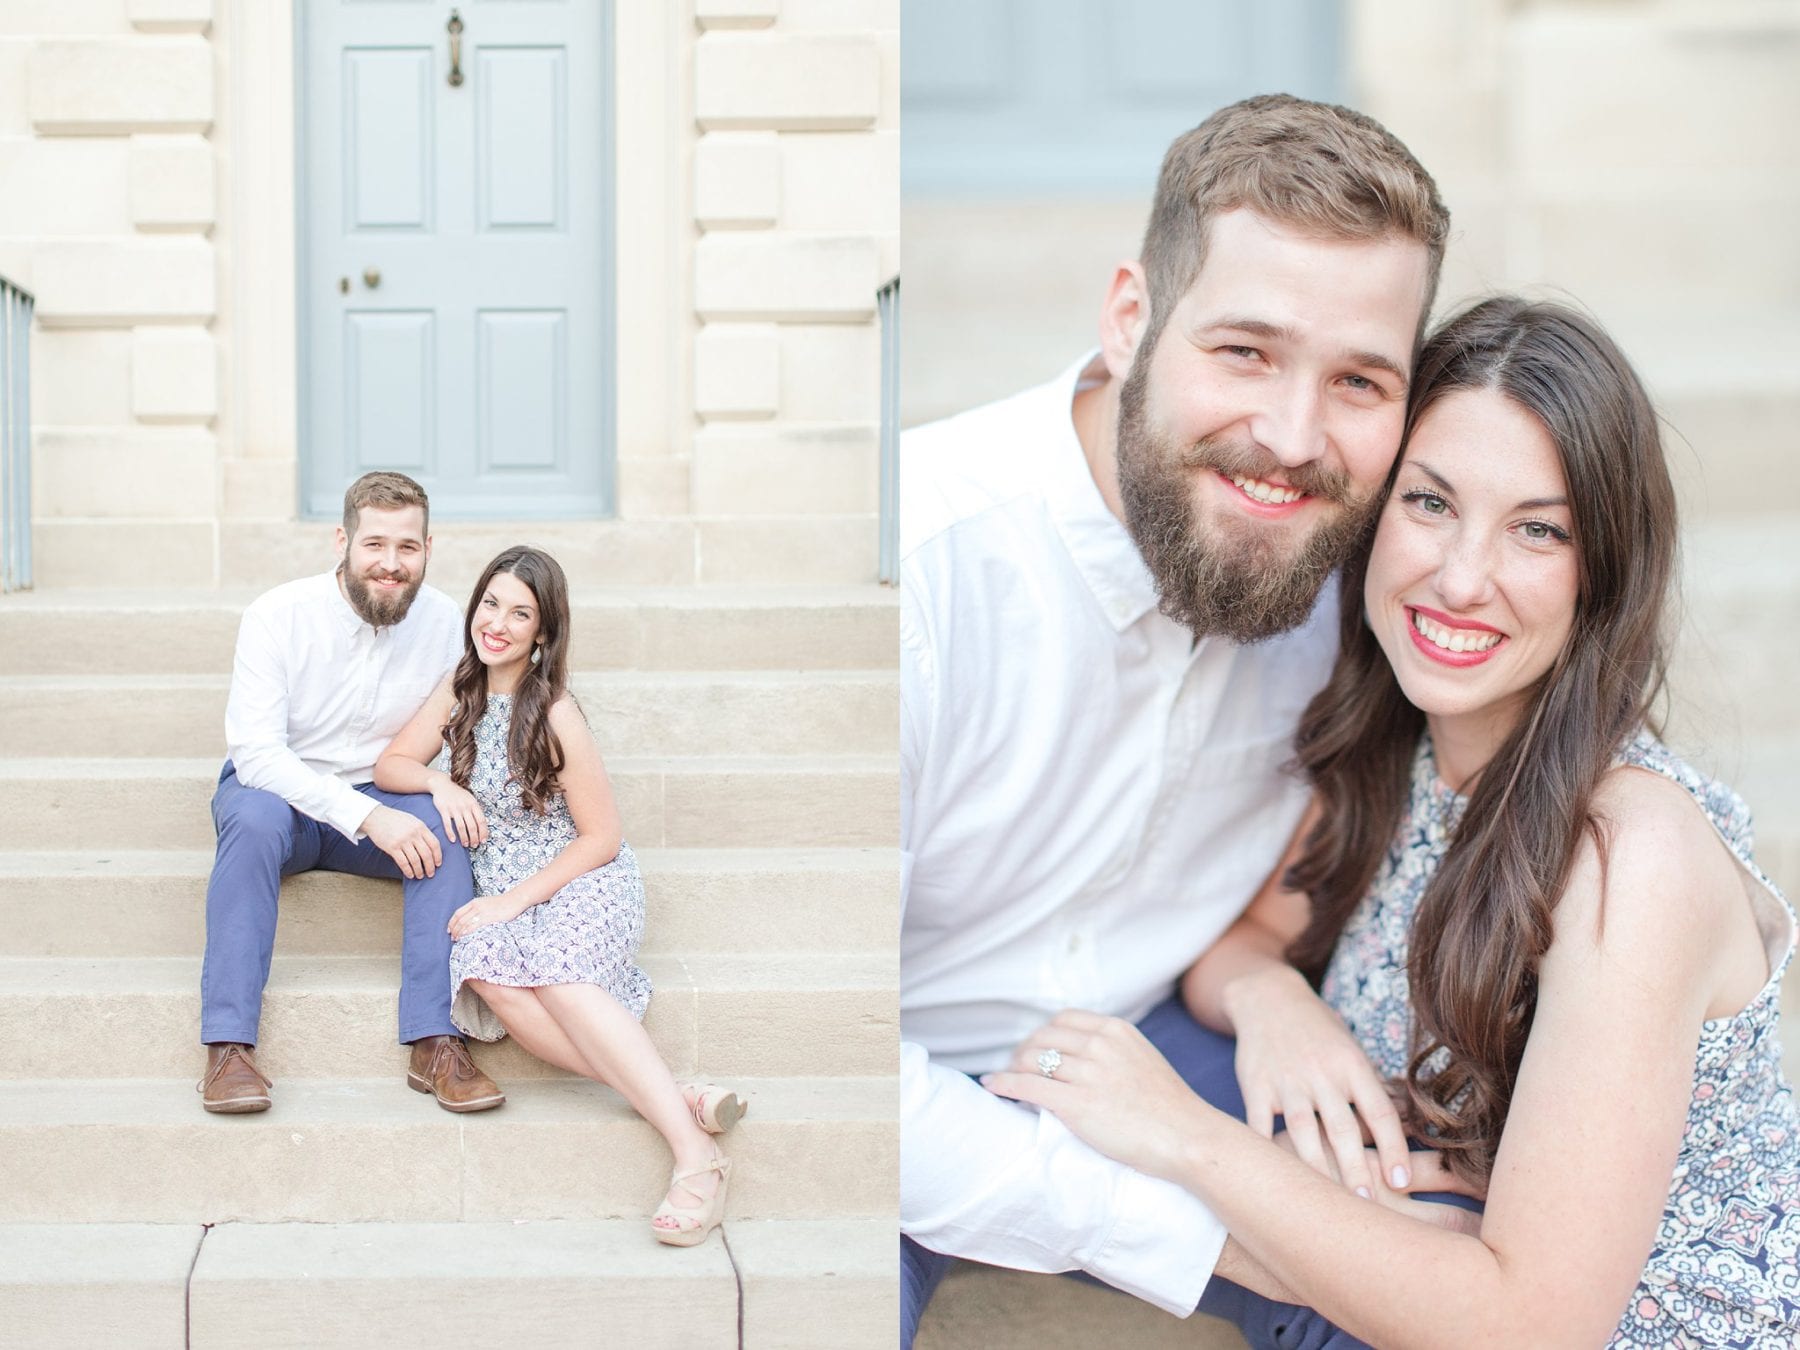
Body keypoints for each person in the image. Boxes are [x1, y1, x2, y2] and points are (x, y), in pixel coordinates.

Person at [988, 298, 1800, 1348]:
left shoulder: (1625, 857)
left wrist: (1190, 1143)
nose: (1462, 578)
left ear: (1602, 572)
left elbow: (1530, 1327)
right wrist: (1283, 1006)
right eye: (1430, 503)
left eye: (1538, 530)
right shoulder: (1408, 748)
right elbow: (1237, 946)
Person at [900, 94, 1451, 1343]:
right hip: (893, 1079)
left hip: (1164, 1035)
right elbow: (827, 1057)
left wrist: (1266, 993)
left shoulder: (1360, 584)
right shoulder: (923, 569)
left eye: (1360, 379)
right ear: (1130, 317)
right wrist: (1193, 1225)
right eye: (1246, 352)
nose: (1292, 439)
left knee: (1424, 1262)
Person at [374, 544, 744, 1246]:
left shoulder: (556, 712)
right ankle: (673, 1098)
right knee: (482, 968)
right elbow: (390, 763)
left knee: (564, 982)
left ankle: (697, 1157)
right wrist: (438, 782)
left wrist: (513, 902)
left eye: (521, 614)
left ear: (542, 633)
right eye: (490, 604)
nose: (499, 624)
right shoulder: (461, 687)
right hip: (510, 893)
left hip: (580, 879)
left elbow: (601, 836)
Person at [199, 470, 506, 1115]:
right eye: (374, 545)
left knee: (447, 834)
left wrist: (437, 782)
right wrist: (367, 816)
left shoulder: (446, 619)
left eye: (408, 547)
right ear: (342, 540)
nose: (390, 565)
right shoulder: (277, 615)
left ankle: (436, 1041)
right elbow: (256, 752)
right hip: (277, 793)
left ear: (428, 547)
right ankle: (227, 1047)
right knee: (252, 824)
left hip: (383, 786)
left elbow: (451, 727)